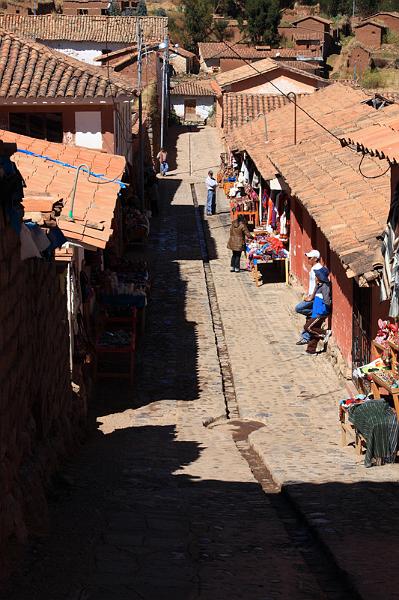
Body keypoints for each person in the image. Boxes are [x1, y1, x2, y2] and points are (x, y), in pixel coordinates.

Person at [295, 249, 323, 345]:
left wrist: (312, 296)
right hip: (311, 295)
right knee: (308, 318)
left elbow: (318, 284)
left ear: (315, 258)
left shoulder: (318, 269)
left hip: (315, 296)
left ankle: (314, 315)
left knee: (298, 308)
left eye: (310, 258)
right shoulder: (313, 268)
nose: (308, 259)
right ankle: (306, 337)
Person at [303, 266, 332, 355]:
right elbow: (313, 296)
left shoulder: (325, 287)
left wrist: (325, 309)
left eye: (316, 276)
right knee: (314, 329)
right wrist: (316, 285)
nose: (315, 278)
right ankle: (311, 350)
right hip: (316, 312)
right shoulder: (320, 286)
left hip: (321, 313)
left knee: (308, 327)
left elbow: (327, 300)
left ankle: (324, 333)